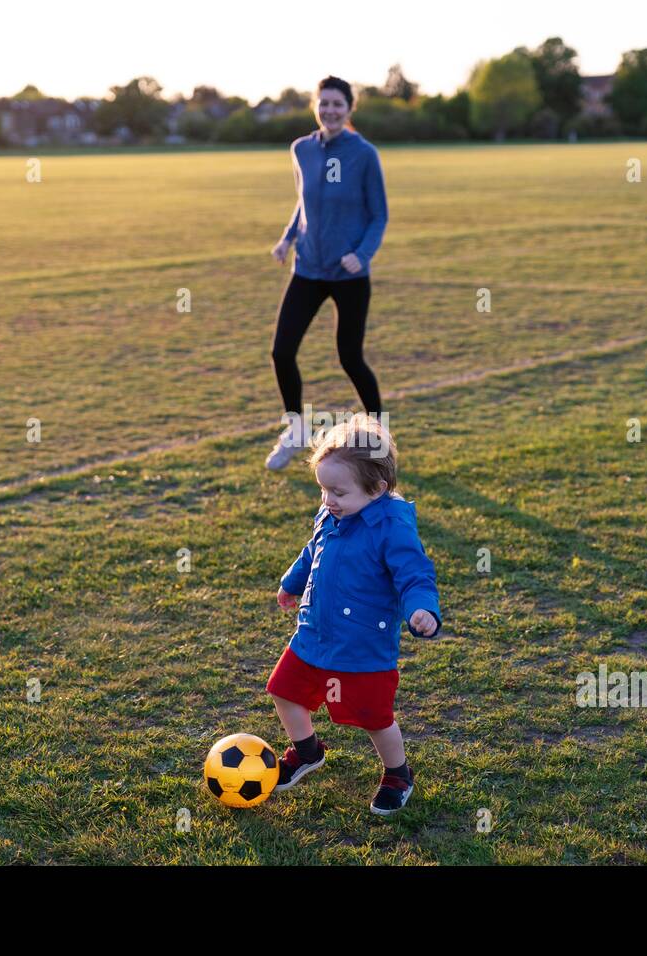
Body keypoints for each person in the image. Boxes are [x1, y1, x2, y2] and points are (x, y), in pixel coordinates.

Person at [265, 414, 442, 814]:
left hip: (362, 644)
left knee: (374, 718)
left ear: (377, 489)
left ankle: (398, 773)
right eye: (323, 489)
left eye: (338, 492)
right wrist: (292, 582)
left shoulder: (392, 528)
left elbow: (415, 576)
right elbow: (313, 550)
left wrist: (422, 610)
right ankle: (307, 752)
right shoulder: (332, 513)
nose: (328, 500)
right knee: (284, 690)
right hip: (315, 633)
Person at [266, 76, 388, 470]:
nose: (330, 110)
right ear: (315, 106)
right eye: (324, 103)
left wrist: (362, 254)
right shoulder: (301, 149)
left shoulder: (364, 153)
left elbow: (378, 214)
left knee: (350, 357)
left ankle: (379, 437)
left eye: (338, 104)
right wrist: (286, 239)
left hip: (349, 273)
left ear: (350, 108)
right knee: (282, 351)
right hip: (308, 268)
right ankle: (296, 429)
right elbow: (303, 203)